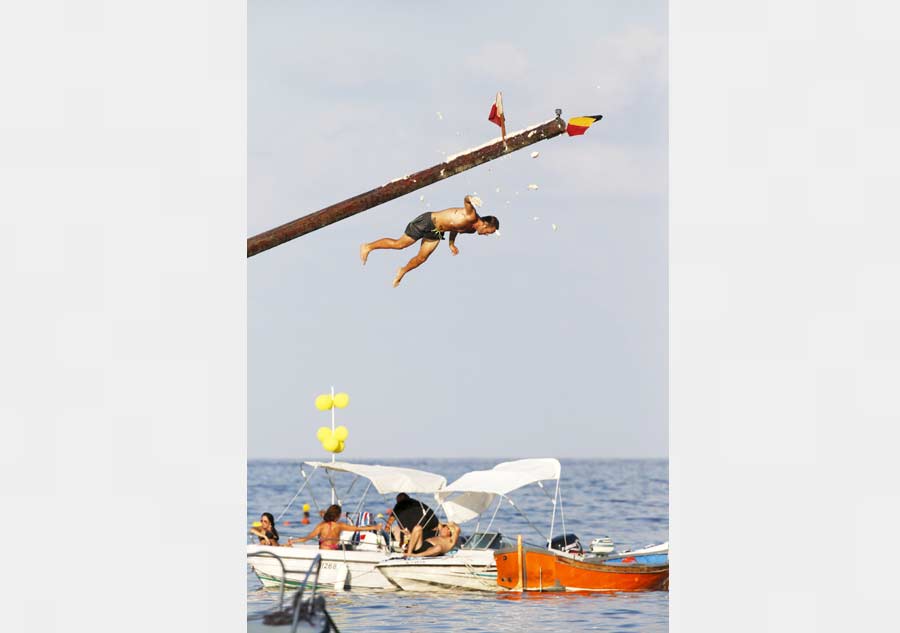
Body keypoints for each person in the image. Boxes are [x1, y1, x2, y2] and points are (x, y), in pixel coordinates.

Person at [359, 195, 500, 287]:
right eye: (489, 232)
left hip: (437, 232)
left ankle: (402, 270)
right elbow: (466, 200)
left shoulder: (472, 230)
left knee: (422, 258)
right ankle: (368, 247)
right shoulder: (471, 216)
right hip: (428, 221)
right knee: (400, 244)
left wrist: (451, 244)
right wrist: (471, 198)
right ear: (485, 224)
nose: (487, 235)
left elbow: (456, 228)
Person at [286, 504, 381, 550]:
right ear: (338, 515)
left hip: (324, 550)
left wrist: (293, 541)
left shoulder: (321, 526)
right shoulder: (339, 525)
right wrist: (374, 528)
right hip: (334, 550)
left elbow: (307, 538)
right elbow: (357, 528)